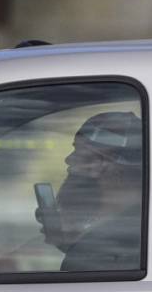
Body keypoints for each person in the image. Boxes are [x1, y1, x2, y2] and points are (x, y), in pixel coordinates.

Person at [36, 111, 143, 272]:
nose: (68, 159)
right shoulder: (144, 225)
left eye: (78, 151)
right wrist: (68, 243)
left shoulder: (94, 254)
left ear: (99, 164)